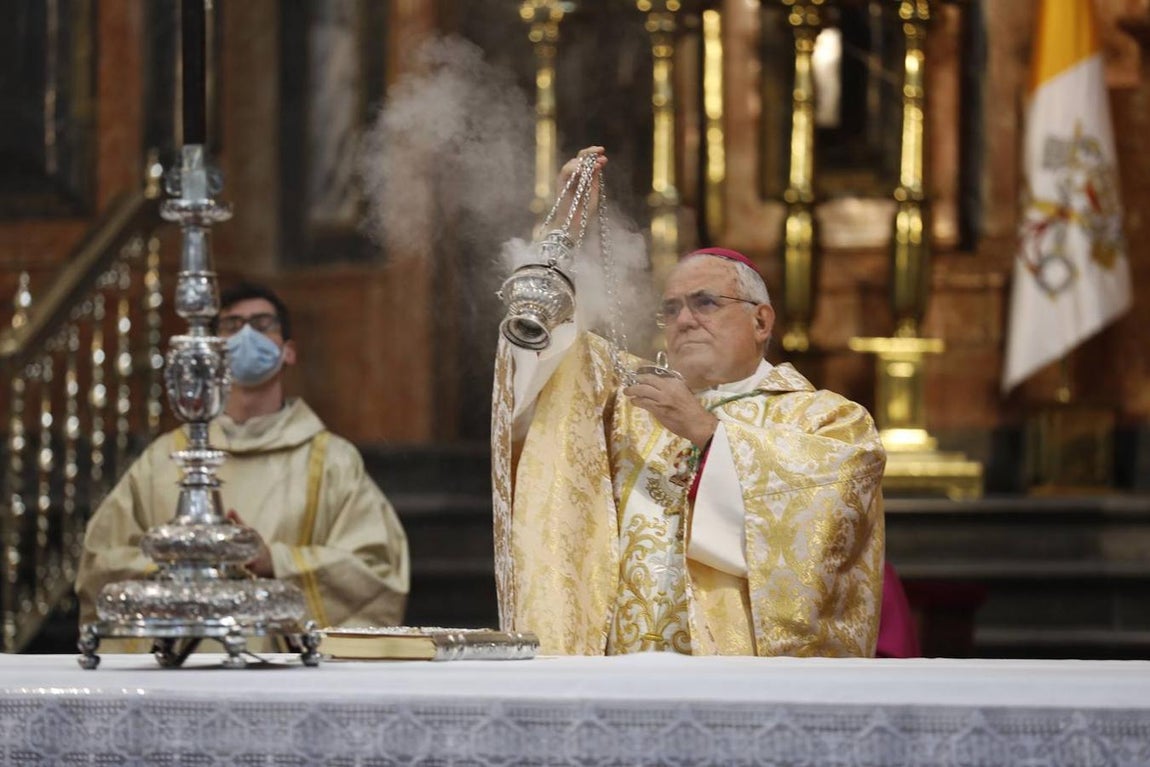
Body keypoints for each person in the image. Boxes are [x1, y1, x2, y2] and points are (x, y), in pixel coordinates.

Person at [491, 147, 886, 657]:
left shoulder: (828, 420)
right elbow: (543, 362)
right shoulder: (629, 405)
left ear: (762, 321)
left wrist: (706, 433)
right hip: (621, 675)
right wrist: (564, 236)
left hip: (743, 680)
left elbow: (819, 540)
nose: (683, 320)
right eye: (670, 308)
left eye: (706, 303)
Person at [76, 281, 409, 647]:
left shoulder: (332, 462)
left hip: (284, 683)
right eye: (231, 326)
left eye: (263, 324)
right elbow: (101, 563)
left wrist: (275, 562)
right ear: (214, 352)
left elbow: (377, 573)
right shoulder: (163, 459)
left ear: (289, 352)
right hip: (177, 678)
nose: (246, 335)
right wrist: (188, 569)